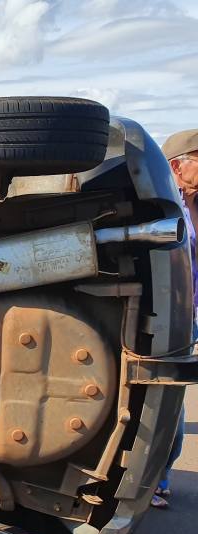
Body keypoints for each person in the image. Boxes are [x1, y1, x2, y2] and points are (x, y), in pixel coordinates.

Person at [153, 130, 198, 507]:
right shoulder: (159, 207)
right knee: (160, 400)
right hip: (161, 314)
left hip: (187, 315)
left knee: (173, 400)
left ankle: (160, 476)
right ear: (177, 165)